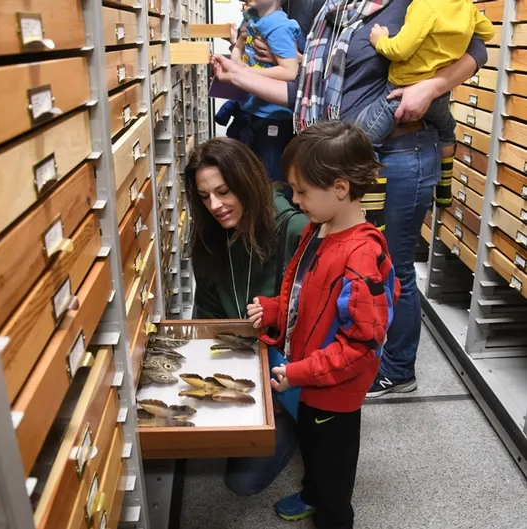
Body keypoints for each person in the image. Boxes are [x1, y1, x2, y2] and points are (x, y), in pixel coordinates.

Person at [211, 0, 488, 398]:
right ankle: (342, 355)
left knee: (389, 266)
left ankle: (396, 369)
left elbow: (477, 47)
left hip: (398, 154)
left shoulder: (408, 4)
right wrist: (236, 74)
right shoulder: (333, 14)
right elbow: (302, 91)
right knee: (344, 266)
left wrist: (433, 86)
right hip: (336, 161)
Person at [247, 122, 400, 527]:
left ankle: (332, 514)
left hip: (333, 389)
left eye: (301, 191)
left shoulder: (362, 256)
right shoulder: (318, 228)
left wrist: (299, 372)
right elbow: (303, 294)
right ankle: (313, 492)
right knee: (312, 448)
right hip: (308, 377)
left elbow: (359, 346)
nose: (294, 201)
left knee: (333, 463)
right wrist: (274, 310)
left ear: (338, 187)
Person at [185, 137, 308, 495]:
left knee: (242, 482)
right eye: (205, 196)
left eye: (224, 191)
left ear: (247, 182)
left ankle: (297, 427)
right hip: (240, 366)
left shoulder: (294, 230)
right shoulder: (209, 240)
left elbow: (317, 328)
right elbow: (205, 319)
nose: (215, 206)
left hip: (288, 377)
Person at [356, 0, 494, 207]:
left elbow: (400, 51)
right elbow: (488, 31)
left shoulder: (425, 6)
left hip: (402, 93)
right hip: (437, 97)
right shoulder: (465, 6)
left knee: (362, 140)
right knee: (446, 131)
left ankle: (372, 214)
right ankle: (444, 190)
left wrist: (380, 40)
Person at [230, 0, 302, 182]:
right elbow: (239, 51)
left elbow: (290, 71)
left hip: (273, 117)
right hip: (252, 111)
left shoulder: (277, 26)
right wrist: (237, 60)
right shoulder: (253, 19)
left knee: (272, 181)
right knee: (251, 176)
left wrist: (247, 73)